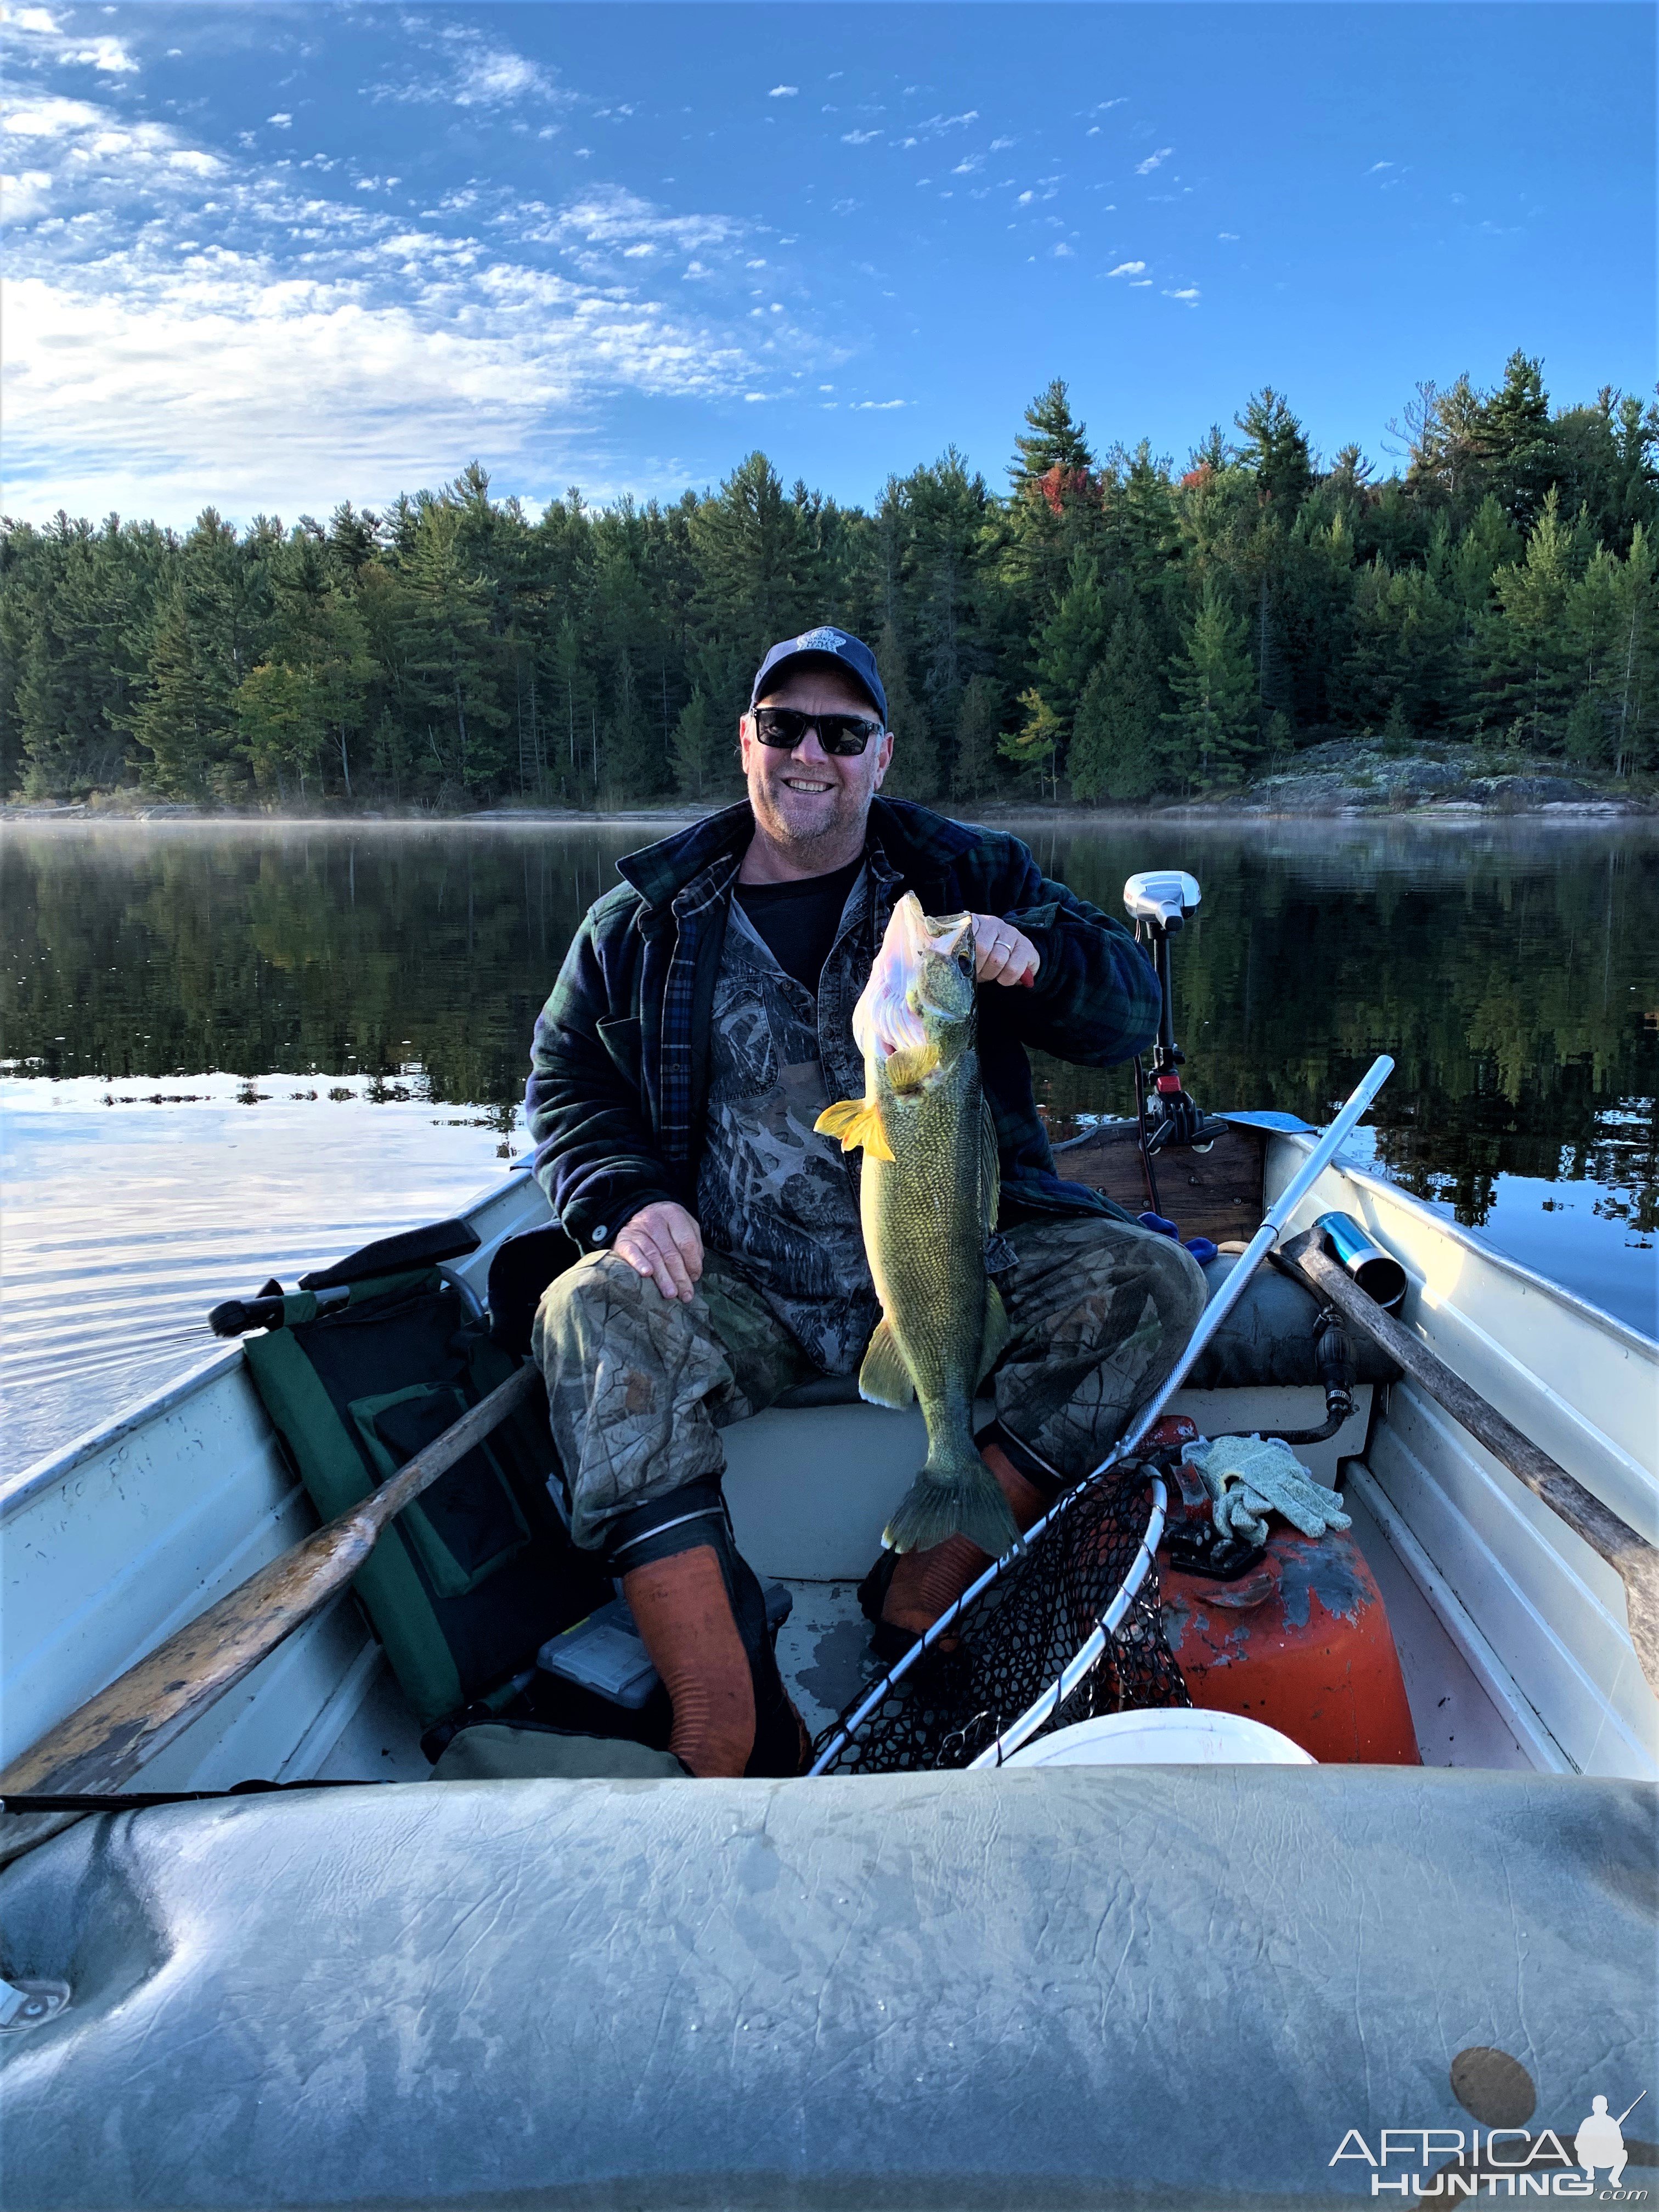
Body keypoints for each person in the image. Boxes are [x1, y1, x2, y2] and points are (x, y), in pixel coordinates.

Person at [523, 624, 1206, 1776]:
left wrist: (1031, 955)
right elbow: (566, 1080)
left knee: (1156, 1284)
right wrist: (628, 1196)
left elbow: (1127, 1012)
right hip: (742, 1284)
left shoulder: (961, 874)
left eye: (842, 735)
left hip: (951, 1263)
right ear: (747, 742)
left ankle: (928, 1573)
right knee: (584, 1309)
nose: (811, 756)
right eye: (785, 728)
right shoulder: (645, 916)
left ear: (880, 759)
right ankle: (730, 1717)